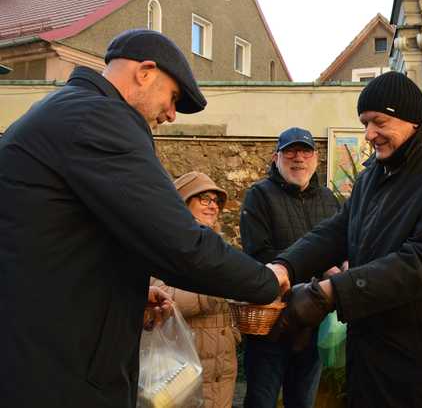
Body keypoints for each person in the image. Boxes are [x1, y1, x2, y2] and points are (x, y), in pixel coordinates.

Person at [0, 29, 289, 408]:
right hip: (56, 371)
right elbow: (179, 244)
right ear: (146, 72)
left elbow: (63, 241)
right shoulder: (99, 119)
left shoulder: (71, 110)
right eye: (173, 98)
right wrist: (267, 281)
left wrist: (124, 293)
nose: (170, 114)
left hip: (43, 353)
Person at [269, 72, 422, 407]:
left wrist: (328, 294)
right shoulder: (372, 176)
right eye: (364, 123)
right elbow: (335, 231)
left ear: (411, 119)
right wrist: (284, 266)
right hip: (373, 368)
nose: (369, 135)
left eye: (379, 122)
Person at [240, 127, 340, 408]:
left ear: (316, 158)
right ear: (276, 157)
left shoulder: (329, 199)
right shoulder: (258, 195)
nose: (299, 158)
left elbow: (341, 245)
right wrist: (321, 268)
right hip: (272, 321)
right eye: (291, 151)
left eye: (306, 151)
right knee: (262, 400)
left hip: (313, 320)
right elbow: (258, 255)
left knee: (303, 402)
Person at [151, 171, 241, 408]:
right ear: (183, 202)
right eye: (204, 199)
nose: (212, 206)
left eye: (215, 201)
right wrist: (211, 291)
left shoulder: (220, 245)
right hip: (186, 356)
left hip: (223, 360)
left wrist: (234, 330)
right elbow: (158, 294)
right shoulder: (164, 244)